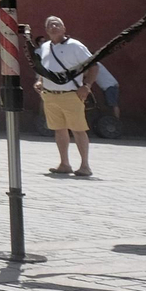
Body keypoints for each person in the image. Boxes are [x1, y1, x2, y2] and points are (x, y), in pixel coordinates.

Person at [36, 15, 99, 177]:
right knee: (59, 130)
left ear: (64, 28)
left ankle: (85, 165)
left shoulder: (75, 46)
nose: (53, 27)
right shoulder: (45, 47)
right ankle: (64, 163)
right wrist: (40, 81)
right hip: (50, 95)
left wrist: (87, 86)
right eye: (50, 25)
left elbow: (93, 65)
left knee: (78, 130)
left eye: (57, 24)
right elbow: (44, 68)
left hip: (71, 94)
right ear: (46, 30)